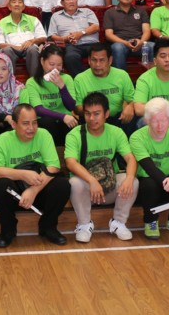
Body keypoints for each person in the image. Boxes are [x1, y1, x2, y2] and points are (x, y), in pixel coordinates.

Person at [0, 104, 70, 247]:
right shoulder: (3, 139)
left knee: (62, 185)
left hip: (39, 187)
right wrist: (22, 174)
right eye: (26, 123)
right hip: (15, 193)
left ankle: (48, 227)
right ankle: (7, 230)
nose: (31, 128)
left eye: (34, 123)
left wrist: (33, 190)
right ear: (14, 124)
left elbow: (53, 166)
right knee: (0, 186)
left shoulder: (43, 134)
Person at [64, 93, 139, 243]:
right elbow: (70, 163)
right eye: (88, 114)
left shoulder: (116, 132)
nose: (92, 118)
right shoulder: (75, 135)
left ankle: (118, 223)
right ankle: (84, 225)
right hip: (86, 190)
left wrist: (130, 178)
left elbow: (131, 159)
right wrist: (92, 181)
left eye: (97, 114)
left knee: (133, 181)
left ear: (107, 114)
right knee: (74, 183)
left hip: (109, 185)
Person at [130, 97, 169, 238]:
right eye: (154, 121)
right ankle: (150, 221)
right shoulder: (136, 138)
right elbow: (150, 168)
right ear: (147, 121)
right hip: (149, 179)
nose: (160, 126)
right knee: (150, 185)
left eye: (163, 120)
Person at [72, 43, 137, 136]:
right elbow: (78, 108)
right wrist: (97, 113)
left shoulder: (122, 75)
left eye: (102, 60)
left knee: (133, 116)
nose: (97, 64)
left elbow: (133, 100)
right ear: (89, 60)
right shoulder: (80, 79)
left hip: (116, 118)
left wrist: (130, 106)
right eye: (94, 60)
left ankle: (125, 144)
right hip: (91, 119)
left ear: (110, 60)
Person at [22, 44, 78, 146]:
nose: (55, 69)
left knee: (73, 124)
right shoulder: (32, 82)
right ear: (42, 61)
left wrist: (62, 87)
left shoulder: (67, 78)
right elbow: (38, 110)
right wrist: (63, 116)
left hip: (66, 120)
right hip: (45, 120)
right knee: (48, 122)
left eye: (59, 65)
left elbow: (71, 106)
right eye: (51, 64)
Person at [47, 0, 100, 77]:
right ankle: (86, 80)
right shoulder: (56, 16)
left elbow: (95, 27)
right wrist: (67, 38)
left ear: (77, 0)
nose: (71, 1)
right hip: (72, 46)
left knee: (102, 54)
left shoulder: (87, 11)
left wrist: (80, 33)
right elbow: (52, 36)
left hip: (92, 43)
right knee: (70, 57)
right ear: (62, 3)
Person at [0, 0, 46, 77]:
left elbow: (43, 38)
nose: (17, 4)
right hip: (11, 49)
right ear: (9, 7)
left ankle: (34, 81)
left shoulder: (33, 20)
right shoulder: (1, 23)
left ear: (23, 6)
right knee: (6, 50)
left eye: (20, 2)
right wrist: (14, 46)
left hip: (29, 48)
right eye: (14, 2)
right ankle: (9, 81)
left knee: (33, 49)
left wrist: (32, 41)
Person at [103, 0, 151, 69]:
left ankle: (152, 77)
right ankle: (121, 77)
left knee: (153, 46)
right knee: (118, 48)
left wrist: (141, 42)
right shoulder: (110, 12)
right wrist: (125, 43)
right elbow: (108, 35)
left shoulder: (141, 11)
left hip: (139, 43)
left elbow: (147, 31)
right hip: (120, 44)